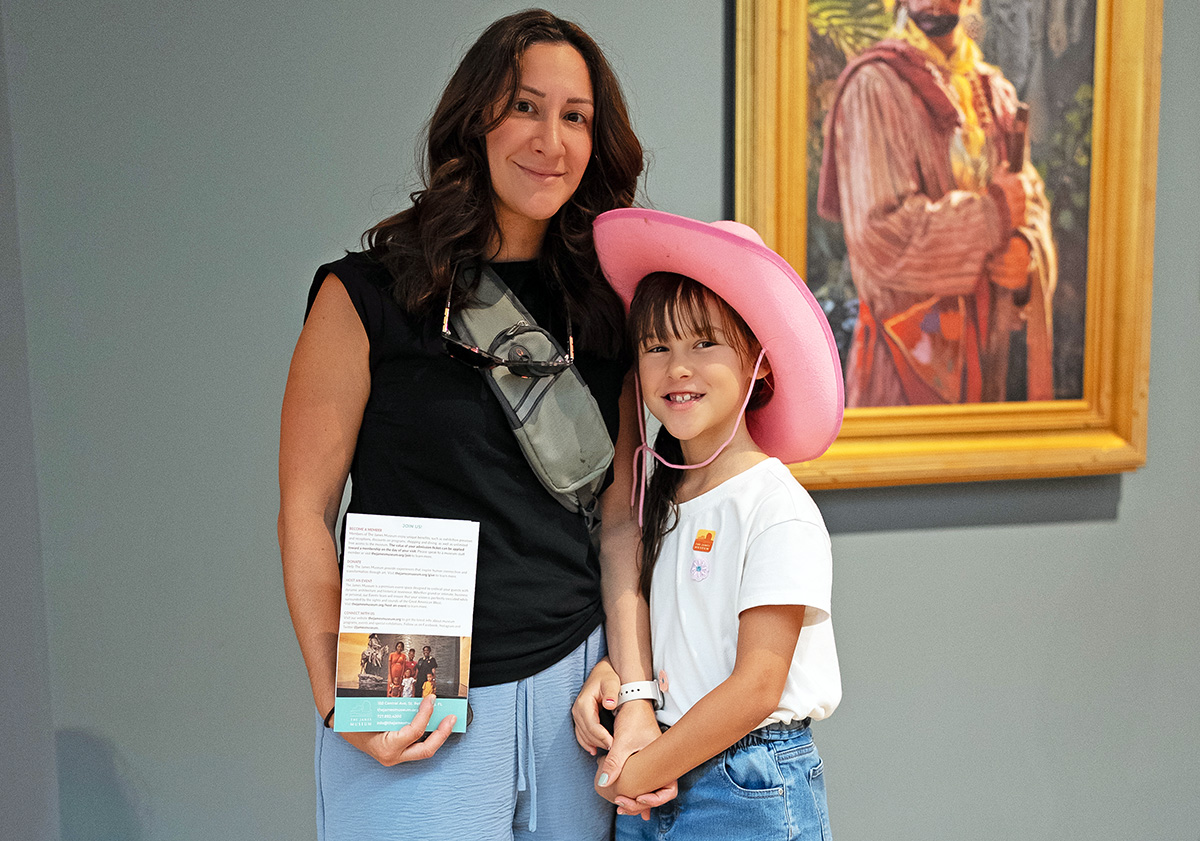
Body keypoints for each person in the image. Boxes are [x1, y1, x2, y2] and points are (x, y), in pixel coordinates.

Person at [277, 10, 653, 840]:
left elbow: (625, 512)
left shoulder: (605, 304)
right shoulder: (368, 295)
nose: (549, 139)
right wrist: (340, 696)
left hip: (574, 688)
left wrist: (630, 680)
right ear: (476, 117)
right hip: (413, 688)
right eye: (525, 106)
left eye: (575, 116)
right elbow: (305, 511)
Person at [576, 209, 845, 839]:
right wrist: (621, 678)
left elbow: (756, 686)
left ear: (760, 362)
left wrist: (642, 771)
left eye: (704, 343)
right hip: (666, 769)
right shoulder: (661, 499)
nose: (678, 368)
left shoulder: (776, 509)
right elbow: (685, 637)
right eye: (656, 347)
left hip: (747, 781)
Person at [817, 0, 1057, 406]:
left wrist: (1026, 255)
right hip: (903, 366)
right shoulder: (874, 86)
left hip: (988, 364)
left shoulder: (995, 91)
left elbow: (1029, 202)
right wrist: (992, 216)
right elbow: (880, 236)